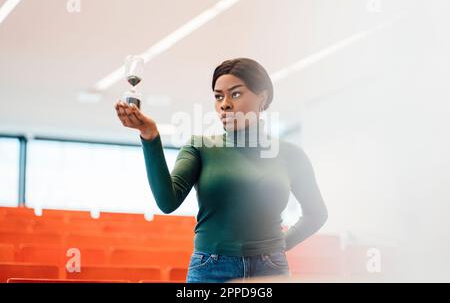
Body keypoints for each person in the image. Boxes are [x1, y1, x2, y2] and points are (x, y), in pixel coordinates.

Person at [114, 57, 328, 283]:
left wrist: (277, 246)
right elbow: (167, 201)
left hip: (270, 269)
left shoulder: (290, 154)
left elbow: (316, 214)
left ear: (262, 98)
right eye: (218, 96)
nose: (224, 104)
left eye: (235, 94)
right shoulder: (200, 147)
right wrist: (150, 136)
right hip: (211, 269)